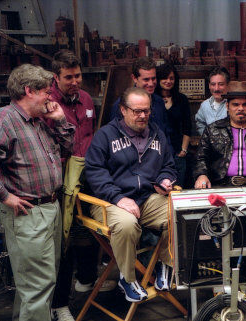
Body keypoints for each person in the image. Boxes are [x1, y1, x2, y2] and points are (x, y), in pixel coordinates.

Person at [0, 64, 75, 320]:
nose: (50, 97)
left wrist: (60, 120)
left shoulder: (38, 122)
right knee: (37, 286)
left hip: (49, 208)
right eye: (46, 92)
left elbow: (68, 147)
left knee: (38, 284)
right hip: (28, 212)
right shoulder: (4, 120)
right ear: (29, 90)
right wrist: (4, 196)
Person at [85, 87, 177, 303]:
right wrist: (118, 198)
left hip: (146, 198)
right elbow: (95, 173)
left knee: (176, 212)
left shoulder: (158, 134)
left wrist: (164, 179)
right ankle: (127, 277)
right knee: (126, 224)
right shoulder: (105, 136)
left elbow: (169, 166)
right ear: (123, 110)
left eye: (146, 111)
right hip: (108, 201)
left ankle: (166, 265)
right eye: (136, 111)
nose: (142, 115)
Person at [47, 50, 115, 321]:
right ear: (56, 77)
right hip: (61, 176)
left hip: (88, 173)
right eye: (68, 77)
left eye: (78, 76)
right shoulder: (48, 102)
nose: (75, 81)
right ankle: (59, 303)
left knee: (87, 229)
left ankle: (86, 279)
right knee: (63, 240)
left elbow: (89, 135)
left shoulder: (86, 98)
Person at [194, 81, 246, 188]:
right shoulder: (213, 130)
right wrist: (202, 175)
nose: (241, 108)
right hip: (220, 185)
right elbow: (201, 158)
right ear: (227, 106)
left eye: (245, 104)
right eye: (236, 104)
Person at [110, 57, 172, 145]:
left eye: (153, 79)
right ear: (134, 78)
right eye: (146, 79)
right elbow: (115, 139)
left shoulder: (159, 102)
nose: (151, 84)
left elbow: (166, 133)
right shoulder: (121, 105)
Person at [155, 64, 191, 187]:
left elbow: (187, 126)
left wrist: (183, 150)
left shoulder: (181, 99)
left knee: (178, 188)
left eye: (172, 78)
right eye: (164, 78)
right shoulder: (153, 100)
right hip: (158, 153)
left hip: (177, 152)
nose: (168, 81)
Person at [195, 66, 230, 135]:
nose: (216, 88)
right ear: (209, 86)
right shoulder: (205, 105)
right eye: (213, 84)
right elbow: (200, 123)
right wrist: (207, 138)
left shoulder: (233, 104)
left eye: (221, 84)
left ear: (227, 85)